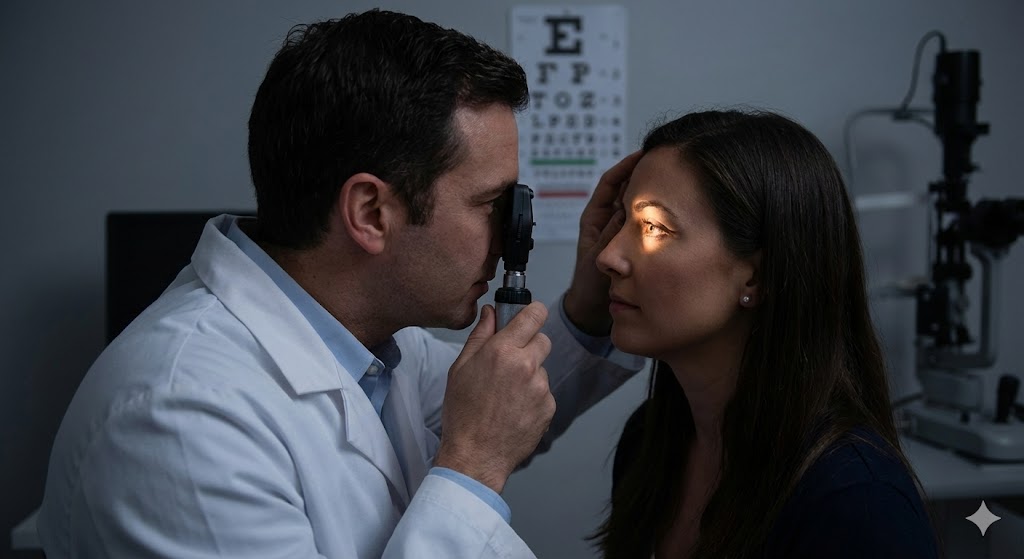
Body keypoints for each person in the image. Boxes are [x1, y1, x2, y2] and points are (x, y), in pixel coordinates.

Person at [37, 9, 645, 558]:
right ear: (371, 214)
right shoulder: (181, 422)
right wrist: (473, 466)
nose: (513, 236)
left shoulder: (373, 348)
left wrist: (588, 309)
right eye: (490, 204)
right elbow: (484, 436)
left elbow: (509, 400)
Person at [590, 109, 939, 558]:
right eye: (620, 221)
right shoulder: (649, 444)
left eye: (654, 227)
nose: (608, 256)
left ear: (756, 278)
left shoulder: (857, 502)